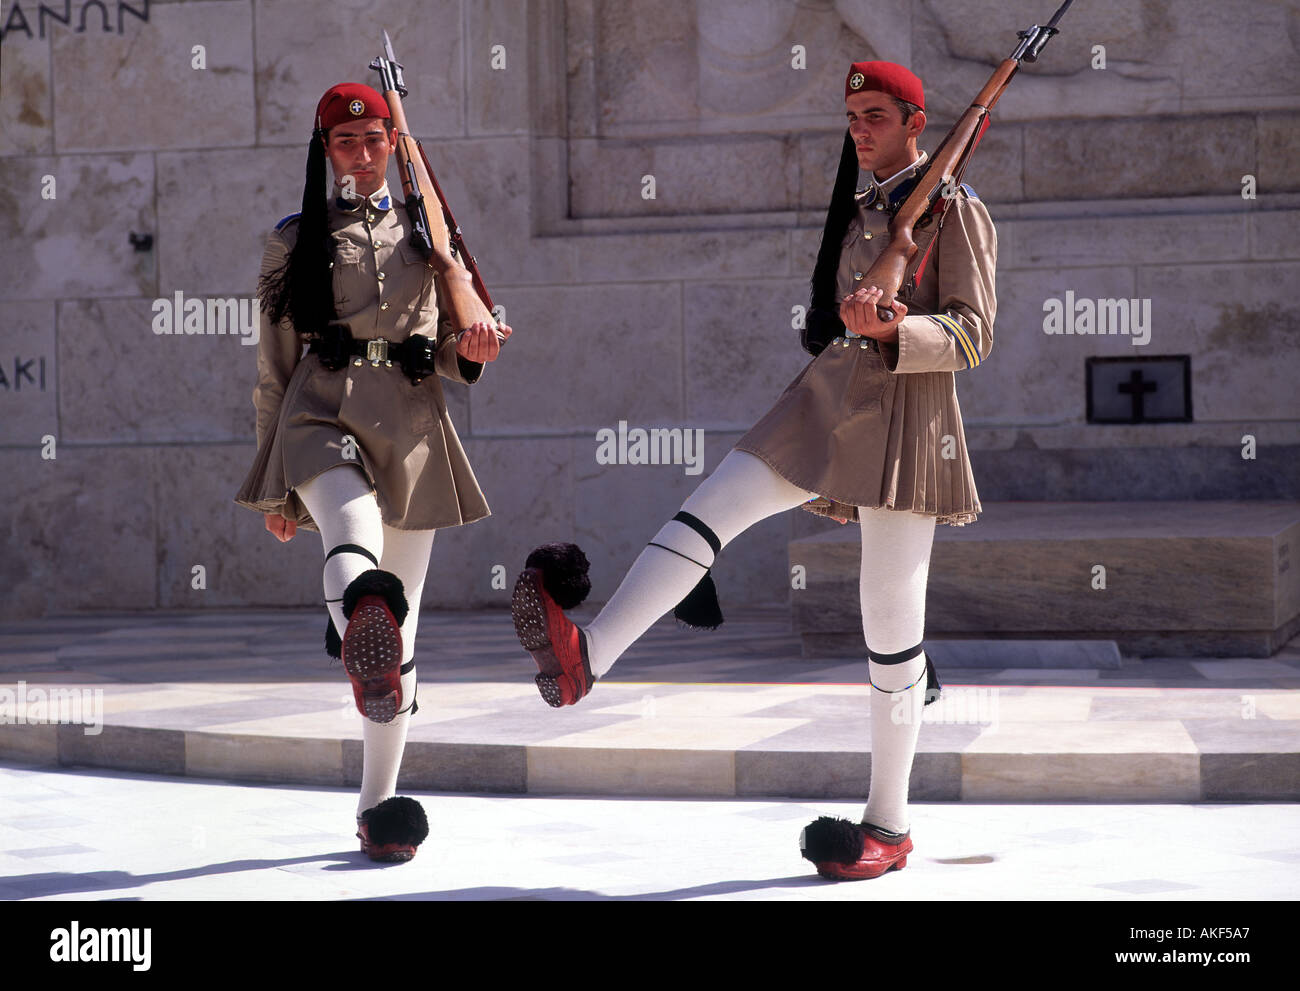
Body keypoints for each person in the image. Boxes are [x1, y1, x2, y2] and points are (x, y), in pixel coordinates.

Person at [511, 61, 995, 881]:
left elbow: (975, 334)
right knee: (709, 507)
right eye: (851, 115)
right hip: (828, 397)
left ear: (917, 122)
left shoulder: (958, 211)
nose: (860, 128)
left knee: (889, 625)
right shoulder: (864, 206)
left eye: (875, 114)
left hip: (909, 419)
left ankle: (889, 824)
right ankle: (587, 656)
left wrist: (897, 328)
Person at [234, 82, 511, 862]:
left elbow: (456, 349)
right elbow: (272, 366)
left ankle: (379, 806)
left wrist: (475, 348)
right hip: (320, 415)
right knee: (353, 536)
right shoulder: (294, 240)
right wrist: (274, 484)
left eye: (374, 139)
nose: (362, 153)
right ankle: (362, 624)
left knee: (402, 634)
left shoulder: (431, 235)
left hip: (413, 425)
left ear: (394, 144)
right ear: (326, 152)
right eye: (346, 142)